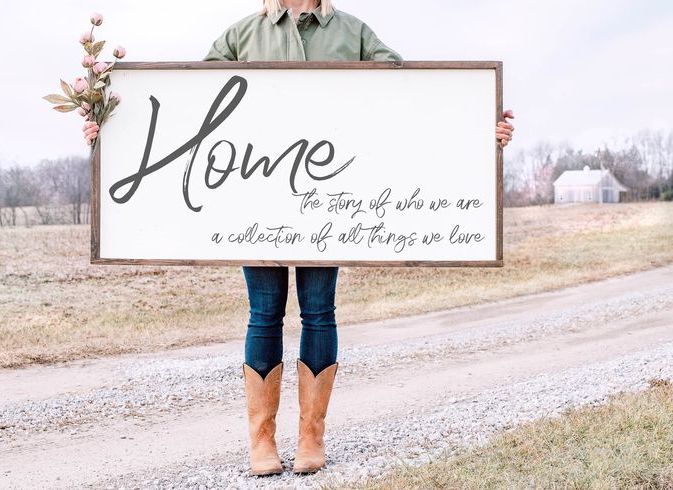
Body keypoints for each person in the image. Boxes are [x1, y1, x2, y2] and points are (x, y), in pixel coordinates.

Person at [82, 0, 515, 477]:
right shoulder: (242, 35)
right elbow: (190, 106)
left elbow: (411, 103)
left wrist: (479, 128)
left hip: (326, 202)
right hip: (255, 202)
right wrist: (111, 129)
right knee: (264, 315)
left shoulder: (353, 33)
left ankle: (311, 435)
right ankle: (262, 441)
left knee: (319, 312)